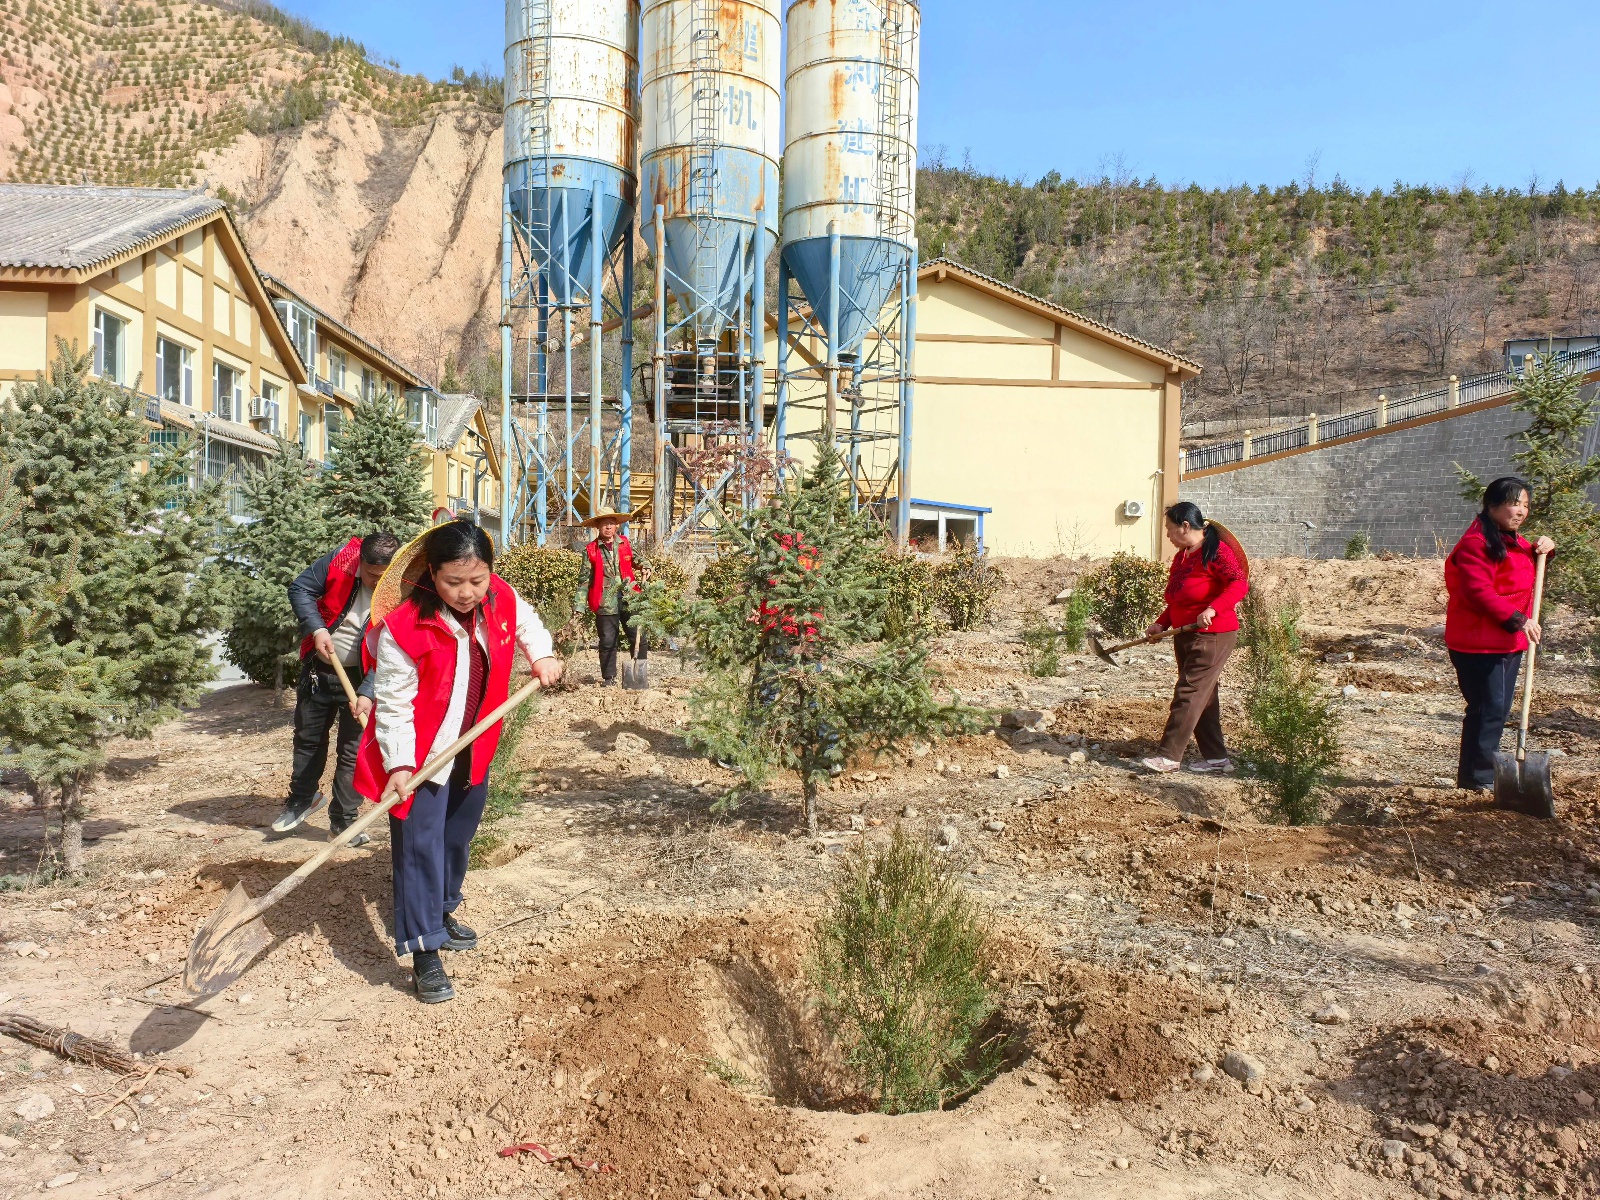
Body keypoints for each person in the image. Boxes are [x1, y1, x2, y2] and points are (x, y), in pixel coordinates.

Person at [354, 521, 563, 1003]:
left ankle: (442, 909)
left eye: (477, 580)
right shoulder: (404, 627)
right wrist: (401, 765)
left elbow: (527, 623)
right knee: (418, 845)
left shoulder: (500, 597)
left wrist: (543, 655)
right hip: (421, 753)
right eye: (454, 582)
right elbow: (394, 702)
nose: (467, 593)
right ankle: (424, 949)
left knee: (456, 835)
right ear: (432, 574)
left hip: (476, 742)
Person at [275, 530, 401, 846]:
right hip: (320, 671)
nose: (376, 581)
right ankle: (302, 800)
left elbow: (394, 647)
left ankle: (344, 824)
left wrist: (369, 691)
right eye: (371, 574)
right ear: (361, 562)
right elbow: (301, 588)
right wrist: (317, 628)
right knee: (307, 739)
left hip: (363, 679)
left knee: (352, 753)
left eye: (382, 576)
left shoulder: (403, 586)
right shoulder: (341, 559)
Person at [1443, 476, 1555, 792]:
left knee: (1496, 708)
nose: (1520, 511)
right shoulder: (1476, 544)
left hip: (1504, 641)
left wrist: (1542, 550)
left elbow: (1519, 571)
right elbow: (1478, 591)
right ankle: (1478, 777)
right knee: (1487, 708)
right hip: (1478, 642)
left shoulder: (1511, 540)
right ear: (1493, 506)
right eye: (1513, 503)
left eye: (1525, 505)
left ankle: (1476, 775)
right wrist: (1519, 620)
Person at [1141, 502, 1250, 775]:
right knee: (1204, 695)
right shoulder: (1183, 555)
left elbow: (1238, 583)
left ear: (1185, 526)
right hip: (1185, 633)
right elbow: (1178, 599)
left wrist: (1213, 608)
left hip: (1213, 634)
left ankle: (1168, 756)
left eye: (1169, 528)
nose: (1167, 534)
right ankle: (1217, 759)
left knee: (1188, 692)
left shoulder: (1216, 552)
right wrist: (1160, 624)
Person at [574, 509, 646, 686]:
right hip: (605, 601)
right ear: (597, 526)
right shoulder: (590, 550)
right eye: (604, 523)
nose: (608, 527)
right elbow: (584, 581)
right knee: (607, 640)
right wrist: (579, 606)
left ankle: (639, 674)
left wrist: (646, 566)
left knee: (638, 637)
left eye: (611, 523)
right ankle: (609, 678)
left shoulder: (625, 544)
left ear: (616, 526)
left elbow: (640, 560)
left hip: (630, 597)